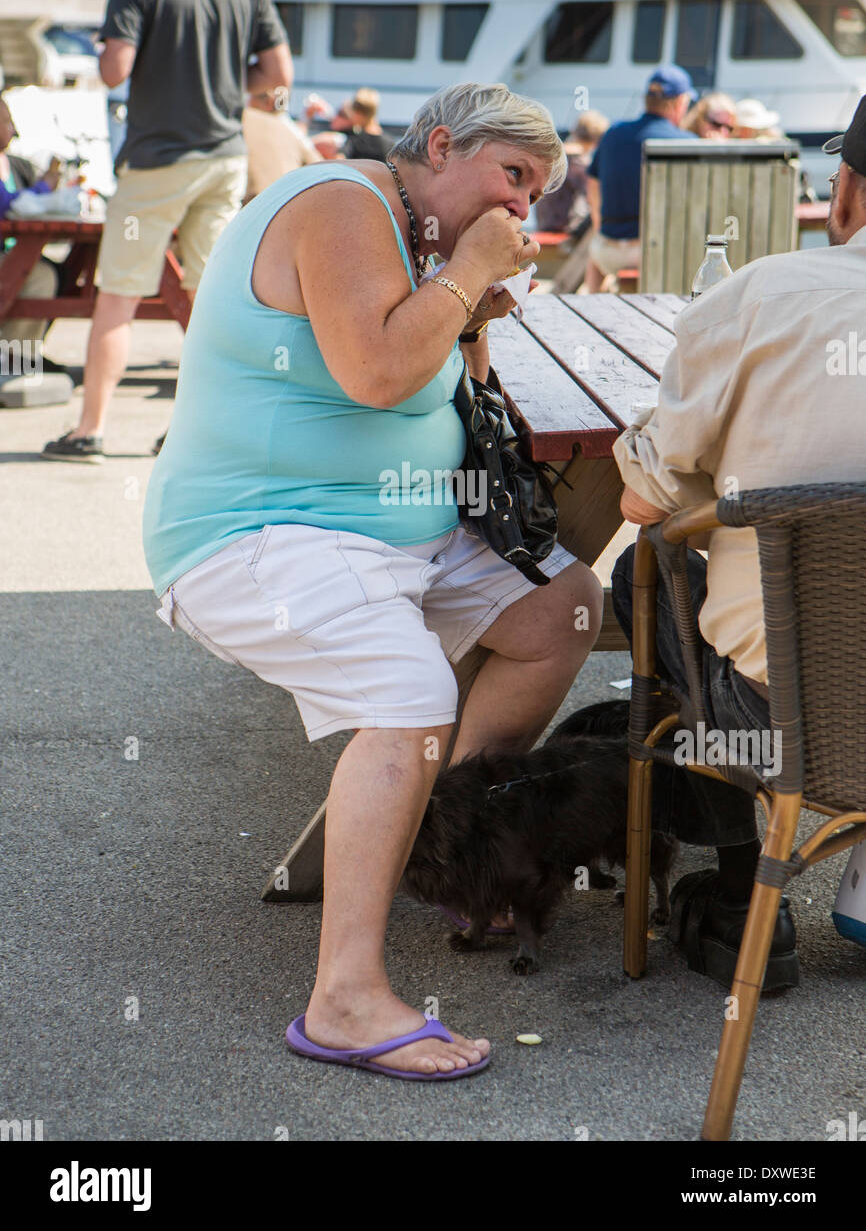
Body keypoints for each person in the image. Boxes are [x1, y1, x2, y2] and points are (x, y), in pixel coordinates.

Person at [141, 81, 604, 1078]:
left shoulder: (421, 242)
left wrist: (470, 303)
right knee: (409, 697)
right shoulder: (341, 205)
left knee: (559, 609)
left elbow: (454, 384)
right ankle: (342, 998)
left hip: (389, 536)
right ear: (439, 147)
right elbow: (377, 374)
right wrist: (471, 265)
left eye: (535, 192)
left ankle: (447, 840)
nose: (522, 208)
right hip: (258, 534)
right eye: (511, 177)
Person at [608, 93, 866, 991]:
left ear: (845, 196)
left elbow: (644, 501)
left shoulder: (766, 294)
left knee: (645, 575)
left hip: (792, 720)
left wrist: (701, 470)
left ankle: (735, 891)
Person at [42, 0, 292, 463]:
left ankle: (90, 430)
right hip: (224, 158)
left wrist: (111, 54)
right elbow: (279, 75)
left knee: (119, 297)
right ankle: (199, 433)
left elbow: (114, 68)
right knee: (211, 303)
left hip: (157, 159)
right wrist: (229, 87)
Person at [584, 64, 696, 293]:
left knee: (594, 258)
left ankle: (590, 303)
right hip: (652, 252)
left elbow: (592, 182)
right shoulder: (686, 142)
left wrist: (599, 224)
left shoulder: (613, 132)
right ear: (679, 103)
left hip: (607, 251)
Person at [0, 96, 63, 364]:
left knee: (58, 271)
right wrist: (45, 187)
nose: (13, 129)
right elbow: (7, 205)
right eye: (6, 122)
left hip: (10, 250)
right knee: (40, 275)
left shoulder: (15, 164)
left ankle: (21, 354)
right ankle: (16, 359)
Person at [534, 109, 609, 234]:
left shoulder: (557, 154)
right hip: (562, 228)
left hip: (544, 223)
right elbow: (593, 196)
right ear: (598, 141)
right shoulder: (579, 161)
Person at [241, 90, 322, 203]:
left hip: (249, 204)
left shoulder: (240, 119)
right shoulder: (290, 129)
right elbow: (318, 166)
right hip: (286, 204)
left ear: (270, 101)